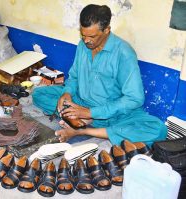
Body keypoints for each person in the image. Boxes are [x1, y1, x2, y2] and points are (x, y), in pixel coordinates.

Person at [32, 4, 167, 147]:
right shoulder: (83, 46)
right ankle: (79, 119)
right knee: (39, 94)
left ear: (107, 30)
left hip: (113, 113)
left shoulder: (123, 53)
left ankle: (81, 130)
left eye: (92, 36)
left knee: (158, 130)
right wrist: (67, 92)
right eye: (83, 35)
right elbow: (74, 77)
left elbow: (135, 98)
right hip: (81, 102)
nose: (86, 40)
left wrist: (91, 113)